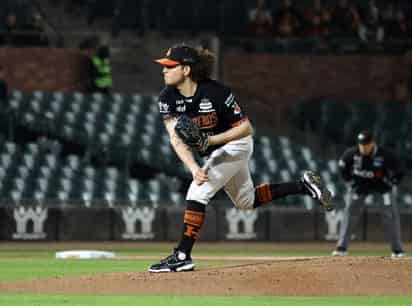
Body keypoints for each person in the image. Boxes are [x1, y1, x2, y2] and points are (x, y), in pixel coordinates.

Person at [148, 43, 334, 273]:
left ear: (186, 70)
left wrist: (211, 142)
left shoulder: (216, 92)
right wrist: (193, 167)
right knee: (246, 201)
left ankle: (183, 255)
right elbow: (176, 139)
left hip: (235, 144)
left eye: (170, 66)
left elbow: (247, 128)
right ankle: (304, 186)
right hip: (214, 151)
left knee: (198, 191)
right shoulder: (166, 98)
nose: (164, 70)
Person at [332, 130, 405, 258]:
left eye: (366, 144)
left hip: (382, 187)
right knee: (349, 212)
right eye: (361, 144)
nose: (363, 147)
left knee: (390, 216)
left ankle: (397, 250)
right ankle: (341, 247)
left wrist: (393, 182)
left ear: (372, 143)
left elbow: (400, 169)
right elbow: (342, 167)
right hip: (360, 186)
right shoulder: (352, 153)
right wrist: (349, 182)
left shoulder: (384, 154)